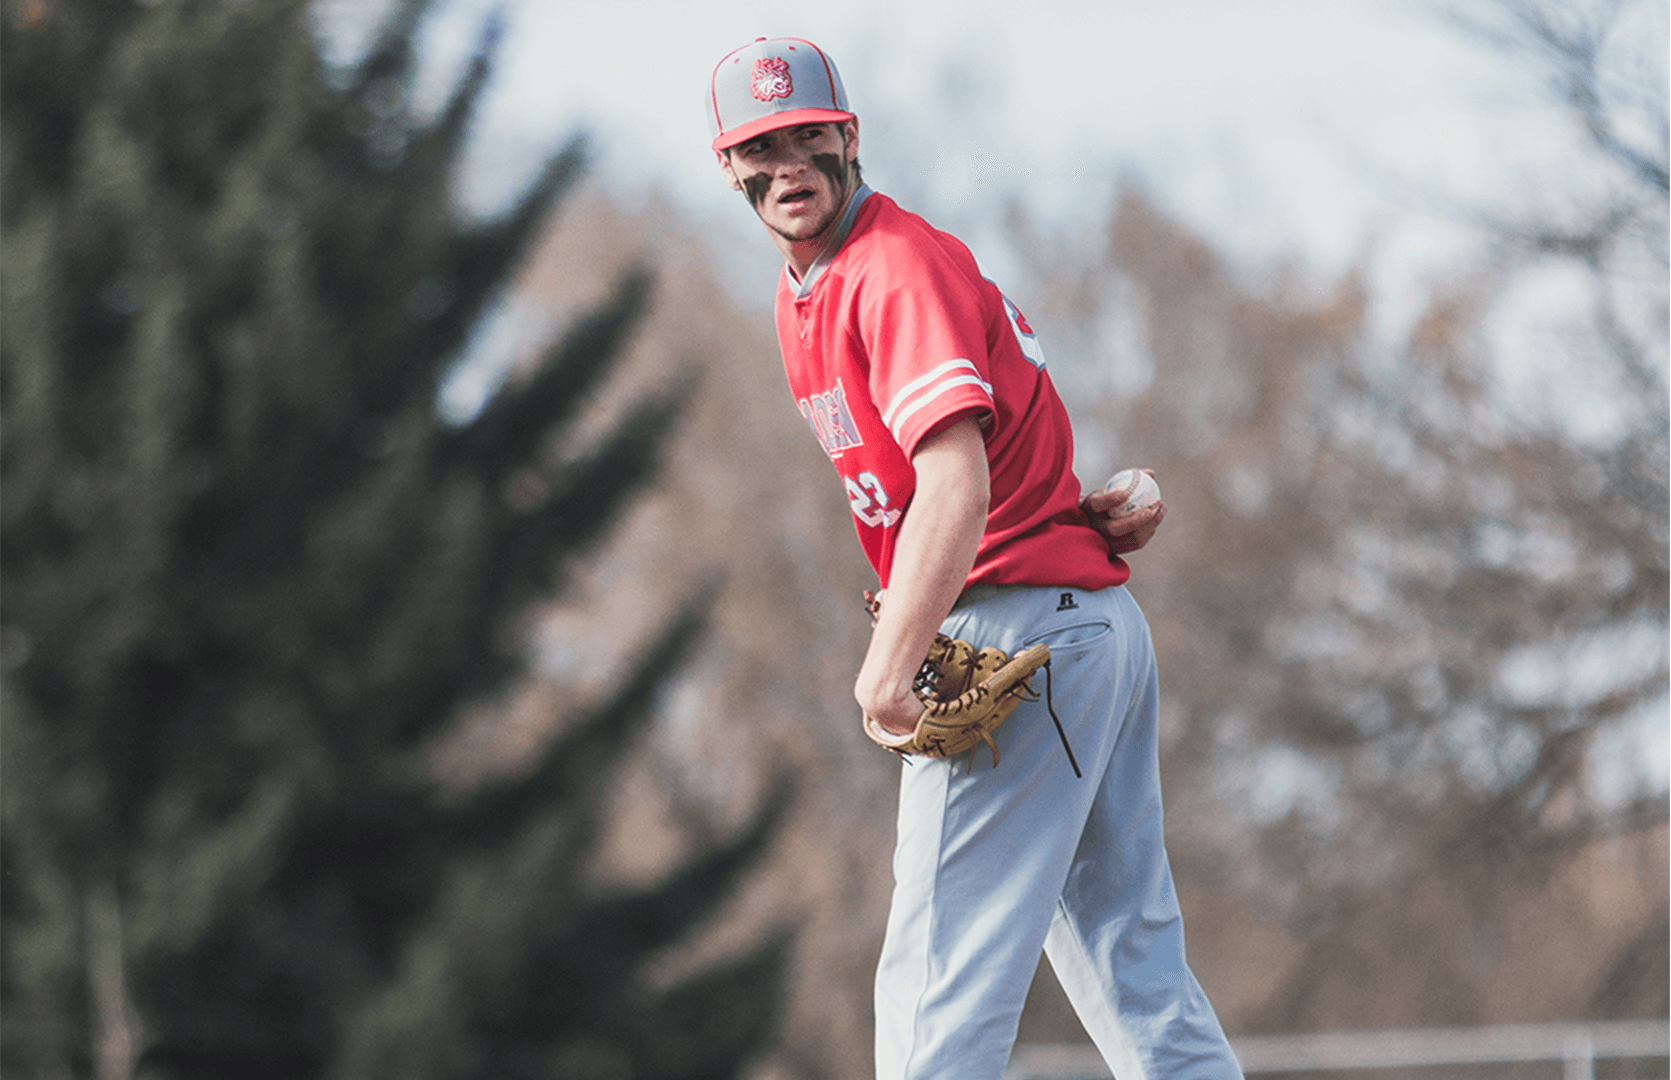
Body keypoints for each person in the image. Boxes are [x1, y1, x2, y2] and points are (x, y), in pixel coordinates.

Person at [706, 37, 1245, 1080]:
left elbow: (957, 483)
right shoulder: (810, 288)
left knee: (936, 983)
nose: (789, 165)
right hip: (1079, 625)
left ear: (849, 134)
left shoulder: (889, 267)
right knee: (1133, 970)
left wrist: (890, 660)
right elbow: (988, 458)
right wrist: (1073, 509)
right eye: (760, 147)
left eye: (808, 135)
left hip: (1020, 635)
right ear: (727, 167)